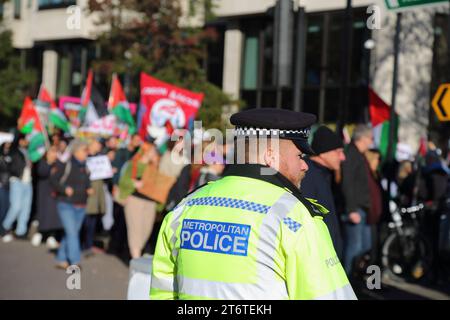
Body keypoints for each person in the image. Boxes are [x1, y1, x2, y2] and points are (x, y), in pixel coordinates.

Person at [150, 108, 356, 300]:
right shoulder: (294, 217)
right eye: (300, 156)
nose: (304, 165)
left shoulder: (187, 207)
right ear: (270, 156)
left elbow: (162, 291)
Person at [301, 126, 346, 261]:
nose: (343, 157)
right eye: (338, 152)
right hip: (317, 257)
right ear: (323, 153)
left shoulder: (324, 174)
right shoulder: (308, 176)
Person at [50, 139, 93, 269]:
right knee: (72, 233)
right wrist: (64, 189)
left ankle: (61, 258)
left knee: (71, 233)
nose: (87, 153)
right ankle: (75, 261)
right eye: (84, 150)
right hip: (66, 204)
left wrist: (89, 189)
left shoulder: (86, 167)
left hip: (81, 205)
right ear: (76, 151)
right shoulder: (66, 165)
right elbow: (53, 180)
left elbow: (87, 183)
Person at [118, 138, 160, 259]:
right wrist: (134, 184)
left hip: (150, 203)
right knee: (135, 230)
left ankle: (136, 254)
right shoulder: (133, 164)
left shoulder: (154, 167)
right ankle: (136, 258)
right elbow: (123, 182)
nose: (154, 153)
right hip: (135, 201)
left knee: (146, 231)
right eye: (152, 151)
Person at [341, 124, 374, 276]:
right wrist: (351, 209)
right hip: (355, 209)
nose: (371, 142)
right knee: (354, 246)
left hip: (362, 208)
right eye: (370, 138)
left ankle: (353, 277)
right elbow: (347, 183)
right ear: (363, 138)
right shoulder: (351, 154)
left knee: (365, 245)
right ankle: (345, 280)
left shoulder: (359, 155)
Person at [1, 133, 33, 242]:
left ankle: (21, 231)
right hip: (17, 181)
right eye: (25, 140)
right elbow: (10, 166)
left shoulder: (28, 152)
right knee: (16, 206)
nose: (27, 142)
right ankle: (5, 226)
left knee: (26, 207)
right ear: (20, 141)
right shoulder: (14, 152)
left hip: (27, 182)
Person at [31, 145, 62, 249]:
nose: (54, 154)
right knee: (43, 212)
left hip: (54, 193)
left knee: (53, 214)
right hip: (44, 192)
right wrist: (49, 165)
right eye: (52, 152)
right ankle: (40, 233)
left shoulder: (58, 164)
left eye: (55, 152)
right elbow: (42, 172)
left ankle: (51, 236)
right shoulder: (42, 163)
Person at [83, 138, 106, 255]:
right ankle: (83, 243)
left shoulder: (100, 157)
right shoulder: (84, 156)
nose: (99, 146)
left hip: (97, 191)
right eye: (97, 144)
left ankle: (89, 244)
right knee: (85, 219)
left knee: (93, 219)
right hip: (87, 191)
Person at [0, 142, 12, 229]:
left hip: (9, 184)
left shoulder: (11, 157)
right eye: (6, 147)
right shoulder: (2, 158)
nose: (7, 149)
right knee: (2, 207)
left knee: (7, 207)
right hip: (2, 184)